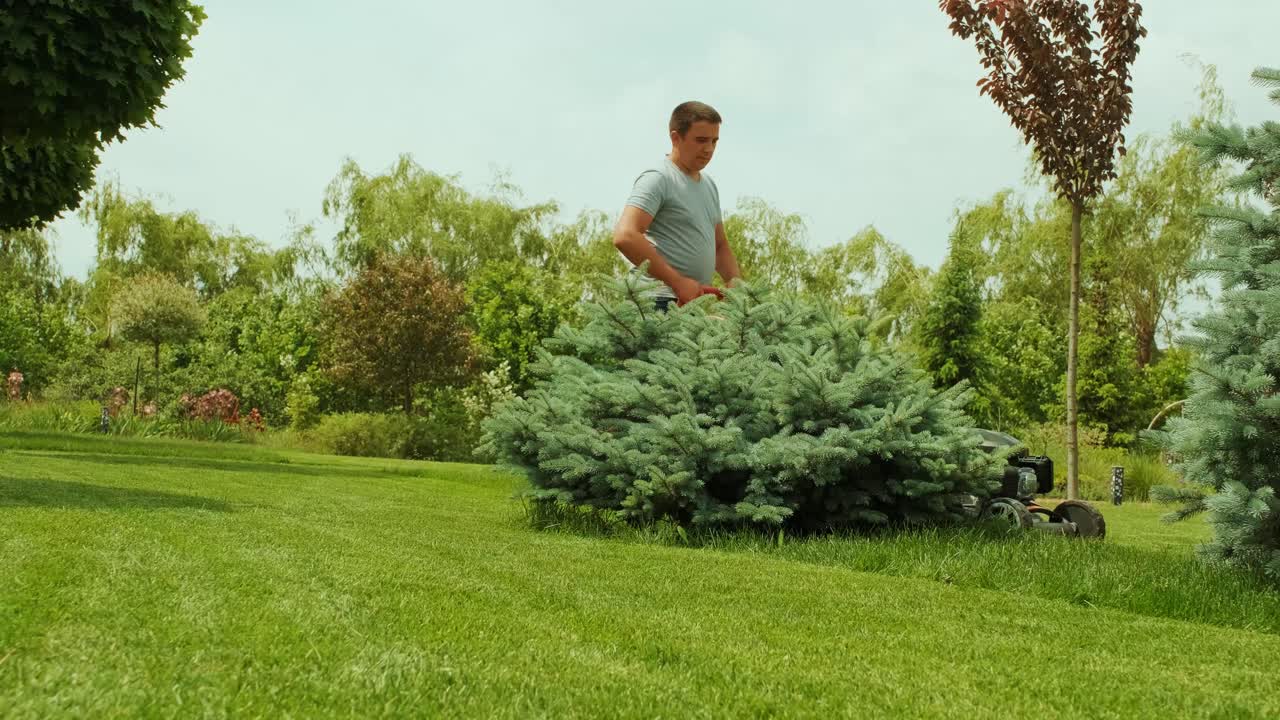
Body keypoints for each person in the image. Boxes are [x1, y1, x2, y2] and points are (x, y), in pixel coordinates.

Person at [613, 101, 742, 311]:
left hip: (693, 306)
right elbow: (626, 235)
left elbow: (720, 246)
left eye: (714, 141)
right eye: (701, 140)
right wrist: (678, 282)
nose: (709, 149)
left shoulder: (709, 185)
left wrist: (736, 286)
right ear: (675, 137)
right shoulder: (658, 178)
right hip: (656, 303)